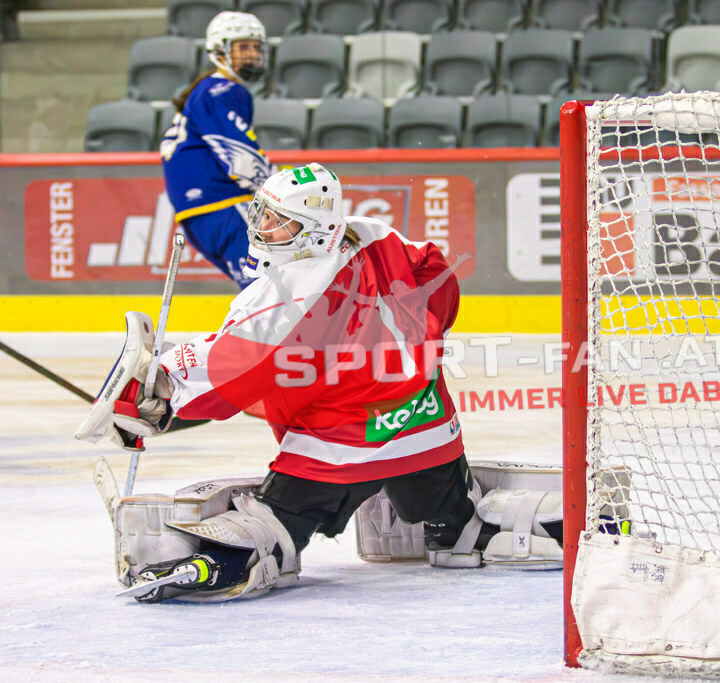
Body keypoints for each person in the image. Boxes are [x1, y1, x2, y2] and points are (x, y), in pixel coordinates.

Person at [76, 163, 563, 602]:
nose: (261, 226)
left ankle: (235, 556)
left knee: (274, 527)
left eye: (277, 220)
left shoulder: (290, 290)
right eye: (262, 213)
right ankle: (478, 527)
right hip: (427, 429)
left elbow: (231, 371)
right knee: (456, 519)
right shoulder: (378, 236)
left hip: (341, 449)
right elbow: (440, 282)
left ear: (313, 230)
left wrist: (159, 396)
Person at [159, 11, 275, 288]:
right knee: (268, 286)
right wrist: (279, 188)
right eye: (243, 47)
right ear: (219, 50)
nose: (252, 54)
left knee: (258, 287)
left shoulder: (206, 90)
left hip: (197, 214)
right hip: (223, 205)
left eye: (256, 47)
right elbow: (241, 159)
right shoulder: (222, 89)